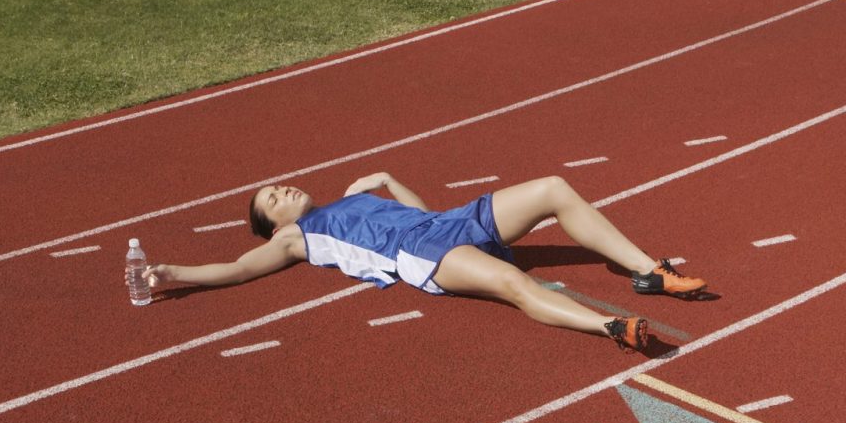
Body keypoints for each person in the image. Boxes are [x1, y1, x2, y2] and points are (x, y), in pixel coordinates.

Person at [145, 172, 708, 352]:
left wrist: (390, 180)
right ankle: (609, 326)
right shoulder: (296, 237)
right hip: (423, 255)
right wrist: (174, 273)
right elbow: (239, 270)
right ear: (275, 224)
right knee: (512, 281)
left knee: (554, 189)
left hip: (444, 223)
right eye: (272, 200)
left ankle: (647, 271)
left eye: (278, 186)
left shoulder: (349, 200)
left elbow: (423, 210)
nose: (282, 191)